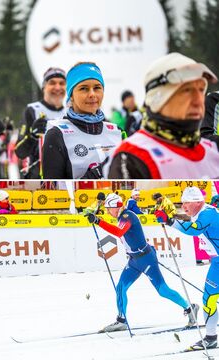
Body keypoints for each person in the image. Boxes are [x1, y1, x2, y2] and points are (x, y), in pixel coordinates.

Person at [86, 193, 198, 332]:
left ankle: (189, 308)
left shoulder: (128, 216)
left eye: (109, 208)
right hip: (134, 260)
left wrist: (98, 221)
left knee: (163, 290)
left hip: (146, 259)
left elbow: (119, 232)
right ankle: (121, 320)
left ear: (117, 207)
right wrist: (97, 219)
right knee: (120, 288)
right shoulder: (121, 216)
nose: (108, 211)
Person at [107, 53, 219, 178]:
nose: (198, 100)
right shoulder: (133, 156)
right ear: (158, 99)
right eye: (187, 90)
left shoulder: (213, 149)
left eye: (201, 90)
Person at [155, 187, 219, 350]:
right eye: (182, 202)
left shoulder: (207, 214)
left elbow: (194, 230)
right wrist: (170, 217)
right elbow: (191, 223)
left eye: (186, 203)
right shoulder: (203, 212)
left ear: (198, 202)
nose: (183, 206)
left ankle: (211, 337)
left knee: (209, 298)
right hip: (216, 263)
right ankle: (211, 337)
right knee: (209, 298)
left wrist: (169, 221)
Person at [42, 62, 121, 179]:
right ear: (71, 95)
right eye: (84, 88)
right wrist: (98, 173)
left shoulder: (117, 131)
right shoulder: (57, 134)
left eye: (97, 88)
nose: (92, 94)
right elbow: (54, 193)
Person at [15, 67, 67, 179]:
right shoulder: (32, 110)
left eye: (61, 83)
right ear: (44, 86)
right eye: (52, 83)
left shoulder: (70, 112)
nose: (57, 87)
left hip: (64, 177)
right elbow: (19, 152)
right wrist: (32, 136)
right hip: (37, 178)